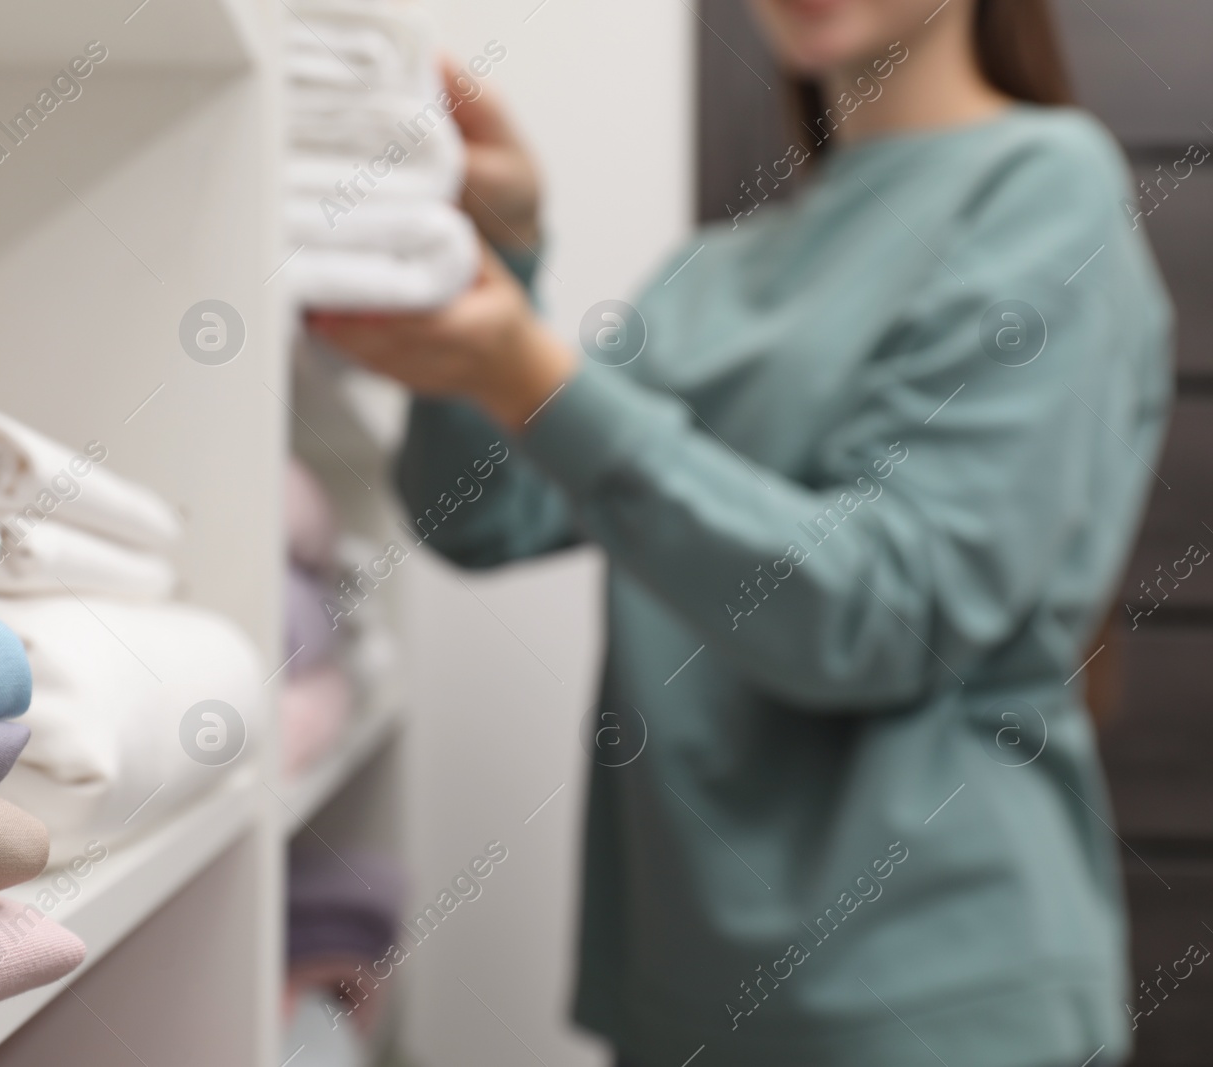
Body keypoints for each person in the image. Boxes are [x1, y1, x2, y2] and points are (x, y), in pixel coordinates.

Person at [309, 0, 1174, 1064]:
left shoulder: (1047, 185)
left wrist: (534, 377)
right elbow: (480, 516)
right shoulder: (711, 271)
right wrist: (498, 257)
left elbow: (888, 615)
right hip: (681, 997)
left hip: (934, 1001)